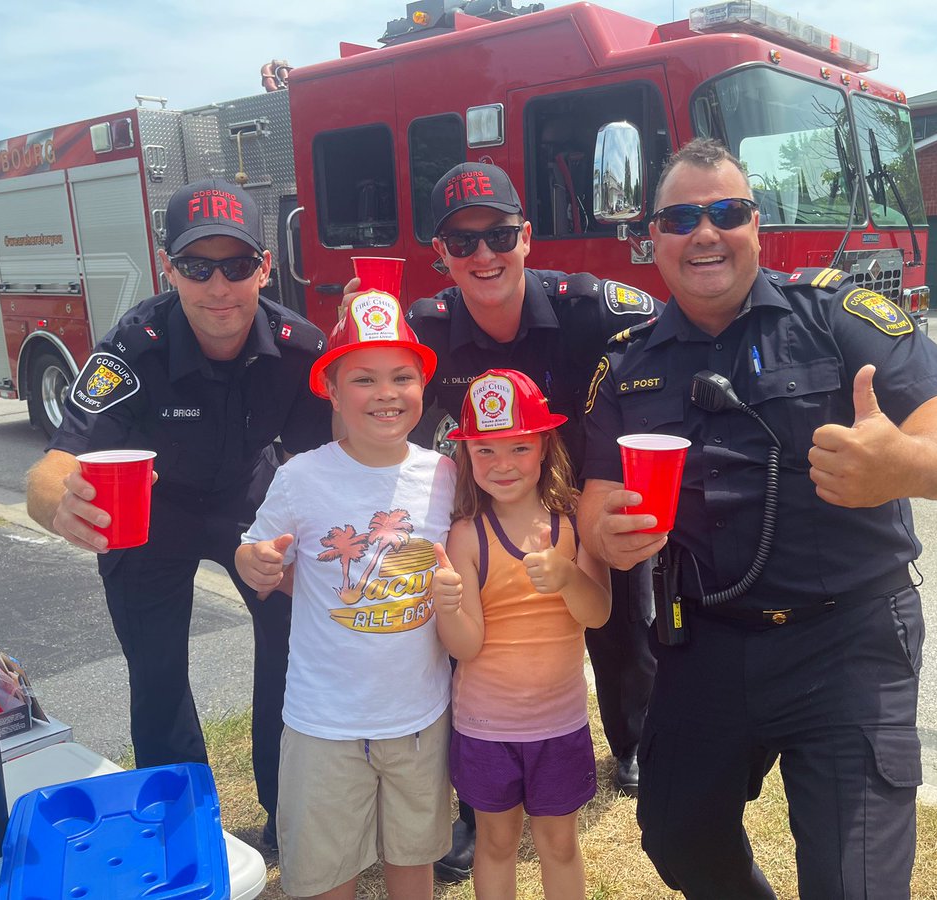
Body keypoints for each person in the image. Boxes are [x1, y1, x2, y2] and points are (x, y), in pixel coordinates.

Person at [578, 137, 937, 899]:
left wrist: (901, 463)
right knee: (676, 839)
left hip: (848, 642)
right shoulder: (626, 362)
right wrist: (610, 534)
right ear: (653, 238)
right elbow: (598, 498)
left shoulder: (834, 315)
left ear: (757, 226)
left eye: (727, 212)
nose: (705, 232)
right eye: (682, 218)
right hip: (705, 640)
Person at [25, 178, 331, 850]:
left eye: (237, 265)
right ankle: (184, 830)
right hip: (151, 512)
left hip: (249, 501)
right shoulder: (133, 346)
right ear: (167, 267)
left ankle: (289, 814)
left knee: (291, 646)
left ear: (265, 267)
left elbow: (328, 460)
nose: (218, 286)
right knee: (157, 670)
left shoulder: (299, 347)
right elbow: (54, 465)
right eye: (197, 267)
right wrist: (59, 504)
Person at [392, 161, 661, 881]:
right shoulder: (426, 325)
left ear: (527, 237)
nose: (483, 254)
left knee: (622, 622)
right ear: (441, 254)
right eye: (462, 242)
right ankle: (476, 803)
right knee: (469, 639)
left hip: (586, 487)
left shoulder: (591, 306)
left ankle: (633, 741)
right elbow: (373, 391)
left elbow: (671, 333)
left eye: (499, 235)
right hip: (487, 502)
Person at [236, 290, 455, 900]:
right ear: (330, 390)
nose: (386, 393)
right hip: (323, 723)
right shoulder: (300, 476)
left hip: (419, 717)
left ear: (422, 385)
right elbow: (255, 551)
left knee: (414, 859)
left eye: (402, 376)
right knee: (326, 874)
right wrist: (255, 563)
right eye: (363, 379)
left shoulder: (443, 474)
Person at [432, 368, 610, 899]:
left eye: (519, 447)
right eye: (484, 450)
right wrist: (447, 607)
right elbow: (466, 645)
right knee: (496, 842)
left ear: (544, 446)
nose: (502, 464)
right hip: (486, 727)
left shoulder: (574, 519)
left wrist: (568, 577)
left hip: (560, 723)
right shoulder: (466, 534)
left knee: (560, 844)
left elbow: (598, 614)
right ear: (466, 454)